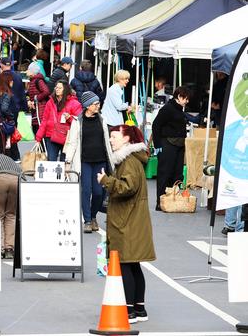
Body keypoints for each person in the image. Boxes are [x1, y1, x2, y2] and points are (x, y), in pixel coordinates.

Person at [97, 124, 155, 324]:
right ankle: (139, 308)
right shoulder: (132, 159)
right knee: (133, 265)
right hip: (134, 220)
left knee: (125, 265)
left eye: (114, 136)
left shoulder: (128, 161)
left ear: (126, 139)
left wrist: (106, 181)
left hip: (127, 221)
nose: (111, 140)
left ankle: (129, 310)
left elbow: (127, 188)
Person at [63, 92, 114, 233]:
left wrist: (113, 160)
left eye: (98, 103)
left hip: (100, 161)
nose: (98, 106)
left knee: (99, 193)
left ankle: (93, 216)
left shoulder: (102, 120)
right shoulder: (77, 122)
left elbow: (107, 143)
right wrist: (67, 162)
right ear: (87, 106)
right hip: (84, 161)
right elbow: (72, 143)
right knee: (86, 190)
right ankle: (87, 220)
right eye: (95, 104)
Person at [152, 86, 190, 212]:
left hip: (178, 145)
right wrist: (158, 146)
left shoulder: (179, 109)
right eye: (186, 98)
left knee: (178, 173)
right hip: (167, 144)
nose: (187, 101)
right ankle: (160, 201)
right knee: (165, 173)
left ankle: (172, 199)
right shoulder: (167, 109)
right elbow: (156, 125)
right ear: (179, 97)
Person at [35, 81, 82, 161]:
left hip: (67, 137)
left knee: (64, 163)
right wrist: (38, 138)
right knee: (51, 161)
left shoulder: (74, 103)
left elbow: (79, 121)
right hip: (51, 136)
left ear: (66, 89)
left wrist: (69, 118)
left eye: (60, 88)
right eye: (56, 87)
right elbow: (44, 120)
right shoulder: (50, 102)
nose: (57, 89)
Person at [0, 72, 16, 157]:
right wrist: (11, 116)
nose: (12, 82)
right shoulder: (7, 94)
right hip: (3, 122)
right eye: (11, 80)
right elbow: (4, 108)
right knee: (4, 146)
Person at [26, 63, 51, 134]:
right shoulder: (33, 81)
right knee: (36, 130)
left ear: (32, 72)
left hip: (40, 110)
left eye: (28, 70)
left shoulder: (38, 81)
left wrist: (36, 98)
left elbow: (46, 91)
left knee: (39, 131)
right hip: (36, 110)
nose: (27, 71)